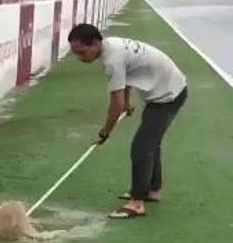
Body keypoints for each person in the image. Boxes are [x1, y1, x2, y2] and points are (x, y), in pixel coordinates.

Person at [68, 23, 188, 219]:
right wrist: (126, 102)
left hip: (168, 95)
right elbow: (128, 77)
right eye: (75, 53)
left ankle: (137, 203)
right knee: (151, 143)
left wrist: (105, 132)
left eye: (82, 52)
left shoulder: (111, 60)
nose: (80, 58)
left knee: (141, 146)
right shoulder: (111, 45)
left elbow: (115, 105)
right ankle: (152, 190)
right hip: (169, 88)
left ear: (96, 43)